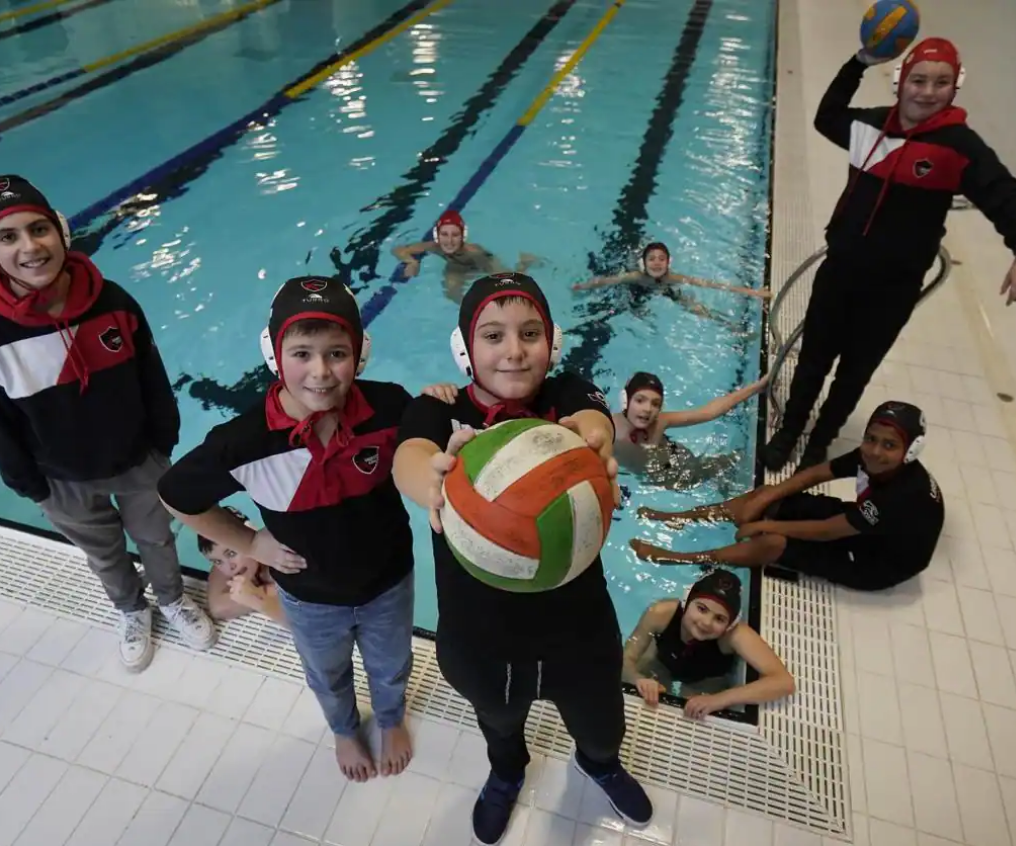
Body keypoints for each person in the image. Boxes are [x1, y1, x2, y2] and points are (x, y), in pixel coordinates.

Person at [392, 273, 652, 845]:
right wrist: (432, 482)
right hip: (483, 638)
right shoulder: (440, 412)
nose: (513, 350)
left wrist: (592, 440)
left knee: (603, 726)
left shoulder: (565, 396)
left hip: (578, 630)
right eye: (493, 335)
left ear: (551, 342)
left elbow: (592, 422)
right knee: (500, 725)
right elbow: (408, 456)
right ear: (465, 348)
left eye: (529, 333)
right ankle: (508, 771)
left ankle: (599, 764)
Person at [158, 276, 417, 783]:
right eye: (302, 353)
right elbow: (177, 495)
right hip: (309, 595)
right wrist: (253, 543)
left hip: (389, 580)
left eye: (336, 353)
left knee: (391, 666)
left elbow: (433, 450)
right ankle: (344, 730)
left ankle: (390, 719)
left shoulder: (389, 409)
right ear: (275, 355)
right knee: (328, 674)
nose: (320, 372)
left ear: (360, 353)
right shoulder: (245, 441)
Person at [0, 174, 216, 673]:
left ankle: (169, 598)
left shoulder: (112, 301)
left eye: (39, 229)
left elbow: (151, 376)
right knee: (103, 553)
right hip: (60, 478)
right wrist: (31, 486)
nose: (30, 248)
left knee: (157, 538)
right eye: (8, 237)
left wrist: (162, 443)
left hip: (140, 459)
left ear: (60, 230)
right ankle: (131, 610)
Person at [762, 38, 1016, 472]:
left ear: (955, 87)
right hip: (840, 271)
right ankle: (789, 431)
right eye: (919, 80)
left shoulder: (960, 146)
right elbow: (827, 117)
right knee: (814, 359)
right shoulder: (870, 127)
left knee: (854, 372)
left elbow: (1004, 193)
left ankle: (819, 443)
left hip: (893, 288)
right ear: (900, 82)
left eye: (941, 82)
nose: (928, 92)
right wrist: (857, 62)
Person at [632, 402, 944, 592]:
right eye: (871, 439)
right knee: (768, 496)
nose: (875, 451)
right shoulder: (872, 456)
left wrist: (767, 527)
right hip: (865, 526)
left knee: (773, 544)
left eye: (889, 445)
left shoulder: (902, 495)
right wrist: (764, 500)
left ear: (911, 451)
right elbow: (819, 472)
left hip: (876, 561)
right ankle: (677, 518)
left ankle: (679, 557)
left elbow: (829, 530)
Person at [622, 569, 795, 718]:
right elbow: (625, 659)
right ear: (687, 602)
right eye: (701, 609)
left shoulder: (734, 635)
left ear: (730, 624)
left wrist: (719, 700)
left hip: (704, 683)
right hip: (659, 665)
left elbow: (783, 682)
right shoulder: (661, 613)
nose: (706, 623)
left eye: (719, 618)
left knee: (692, 709)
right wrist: (638, 679)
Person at [613, 371, 768, 490]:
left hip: (682, 464)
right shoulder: (609, 429)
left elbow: (708, 412)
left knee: (740, 463)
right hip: (663, 480)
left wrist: (756, 387)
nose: (647, 409)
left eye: (655, 404)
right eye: (640, 400)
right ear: (625, 399)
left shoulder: (659, 421)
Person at [390, 210, 540, 302]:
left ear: (463, 236)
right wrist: (412, 262)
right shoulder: (435, 246)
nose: (449, 241)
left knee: (512, 285)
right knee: (451, 294)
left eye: (455, 235)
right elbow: (398, 250)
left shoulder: (474, 252)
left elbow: (495, 270)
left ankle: (524, 263)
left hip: (479, 263)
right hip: (456, 266)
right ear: (437, 235)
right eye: (444, 234)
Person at [573, 241, 769, 300]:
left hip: (663, 289)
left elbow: (712, 285)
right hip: (639, 289)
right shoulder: (636, 276)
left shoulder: (673, 278)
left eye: (661, 259)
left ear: (668, 263)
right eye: (651, 259)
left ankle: (727, 325)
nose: (656, 263)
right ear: (644, 263)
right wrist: (583, 286)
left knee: (691, 304)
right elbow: (608, 280)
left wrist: (752, 292)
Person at [196, 506, 287, 627]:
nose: (229, 567)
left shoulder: (282, 555)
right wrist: (265, 593)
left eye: (231, 553)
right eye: (217, 561)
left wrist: (257, 597)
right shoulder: (235, 564)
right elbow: (218, 608)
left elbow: (306, 625)